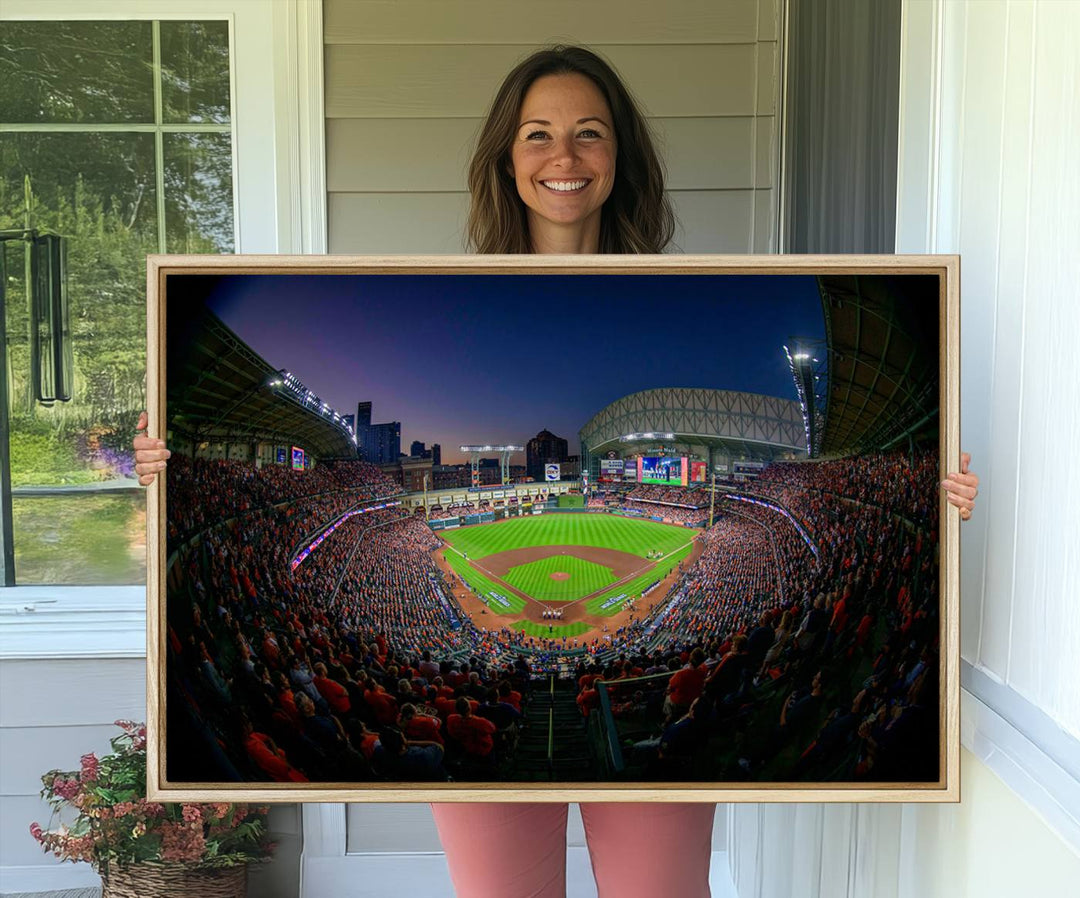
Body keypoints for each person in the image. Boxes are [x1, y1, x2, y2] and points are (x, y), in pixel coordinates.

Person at [135, 43, 981, 898]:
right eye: (537, 134)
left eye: (590, 133)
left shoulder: (676, 288)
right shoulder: (444, 288)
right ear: (507, 157)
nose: (563, 157)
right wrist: (168, 464)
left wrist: (930, 493)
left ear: (621, 157)